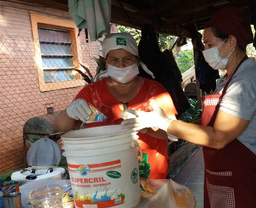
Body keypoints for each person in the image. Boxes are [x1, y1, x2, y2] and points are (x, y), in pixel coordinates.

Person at [121, 7, 256, 208]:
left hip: (244, 185)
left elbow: (218, 137)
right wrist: (163, 126)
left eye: (209, 44)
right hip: (225, 182)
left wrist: (166, 123)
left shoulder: (247, 81)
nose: (204, 50)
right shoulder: (227, 80)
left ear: (230, 42)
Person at [53, 32, 177, 180]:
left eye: (127, 59)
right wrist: (69, 112)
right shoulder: (91, 93)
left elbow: (173, 132)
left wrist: (147, 127)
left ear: (137, 61)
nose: (121, 65)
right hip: (105, 177)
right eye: (114, 60)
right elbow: (60, 126)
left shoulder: (155, 91)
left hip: (152, 175)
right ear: (106, 63)